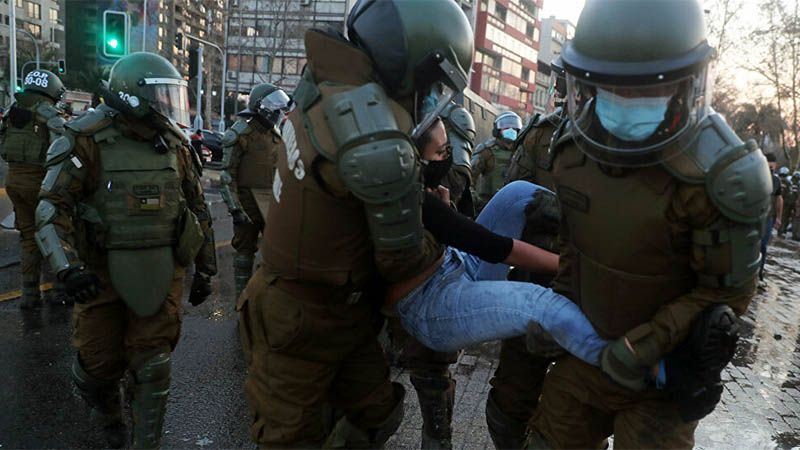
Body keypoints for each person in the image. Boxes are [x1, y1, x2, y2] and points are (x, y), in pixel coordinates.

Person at [525, 1, 769, 448]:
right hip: (585, 358)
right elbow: (574, 246)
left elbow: (727, 292)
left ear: (682, 86)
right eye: (612, 89)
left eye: (643, 91)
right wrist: (558, 311)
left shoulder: (721, 177)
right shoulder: (573, 154)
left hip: (660, 379)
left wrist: (646, 346)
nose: (625, 103)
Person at [237, 1, 475, 446]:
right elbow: (401, 259)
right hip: (302, 318)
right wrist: (444, 246)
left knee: (380, 412)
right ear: (417, 66)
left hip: (335, 310)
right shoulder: (377, 142)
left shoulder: (324, 87)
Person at [35, 52, 217, 448]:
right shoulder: (86, 138)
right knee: (98, 368)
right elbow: (51, 208)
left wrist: (206, 269)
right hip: (99, 272)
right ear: (132, 96)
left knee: (152, 361)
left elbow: (196, 207)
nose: (168, 105)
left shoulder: (173, 144)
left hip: (162, 267)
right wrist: (67, 269)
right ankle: (109, 414)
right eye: (160, 95)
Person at [381, 97, 477, 449]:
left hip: (426, 270)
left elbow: (460, 194)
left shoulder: (444, 127)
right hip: (391, 271)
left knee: (431, 375)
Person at [485, 55, 568, 449]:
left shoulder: (630, 145)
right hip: (536, 283)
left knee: (575, 416)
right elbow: (513, 198)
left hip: (595, 292)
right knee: (510, 400)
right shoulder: (541, 134)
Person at [0, 69, 70, 308]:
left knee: (28, 238)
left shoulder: (11, 111)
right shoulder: (49, 114)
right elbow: (62, 150)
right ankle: (59, 290)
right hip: (41, 183)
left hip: (14, 180)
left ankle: (29, 295)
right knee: (55, 233)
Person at [220, 83, 291, 300]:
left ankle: (266, 299)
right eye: (274, 106)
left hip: (271, 201)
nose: (278, 111)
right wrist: (235, 208)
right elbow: (226, 176)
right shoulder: (240, 133)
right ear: (261, 107)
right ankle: (242, 300)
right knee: (244, 252)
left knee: (277, 252)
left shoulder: (275, 134)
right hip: (247, 201)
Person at [472, 111, 523, 211]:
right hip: (487, 206)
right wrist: (476, 201)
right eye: (507, 128)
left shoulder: (521, 152)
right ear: (497, 130)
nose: (511, 130)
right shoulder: (487, 151)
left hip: (513, 208)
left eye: (514, 128)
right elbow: (469, 178)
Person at [761, 153, 783, 280]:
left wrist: (779, 217)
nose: (770, 169)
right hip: (753, 217)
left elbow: (779, 198)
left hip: (768, 218)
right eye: (768, 166)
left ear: (775, 166)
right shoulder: (756, 176)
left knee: (763, 246)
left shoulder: (776, 180)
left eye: (772, 167)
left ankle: (760, 273)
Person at [779, 168, 797, 236]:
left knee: (784, 217)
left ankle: (781, 231)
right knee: (786, 217)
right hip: (789, 202)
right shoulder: (789, 182)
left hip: (786, 202)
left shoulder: (787, 182)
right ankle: (782, 231)